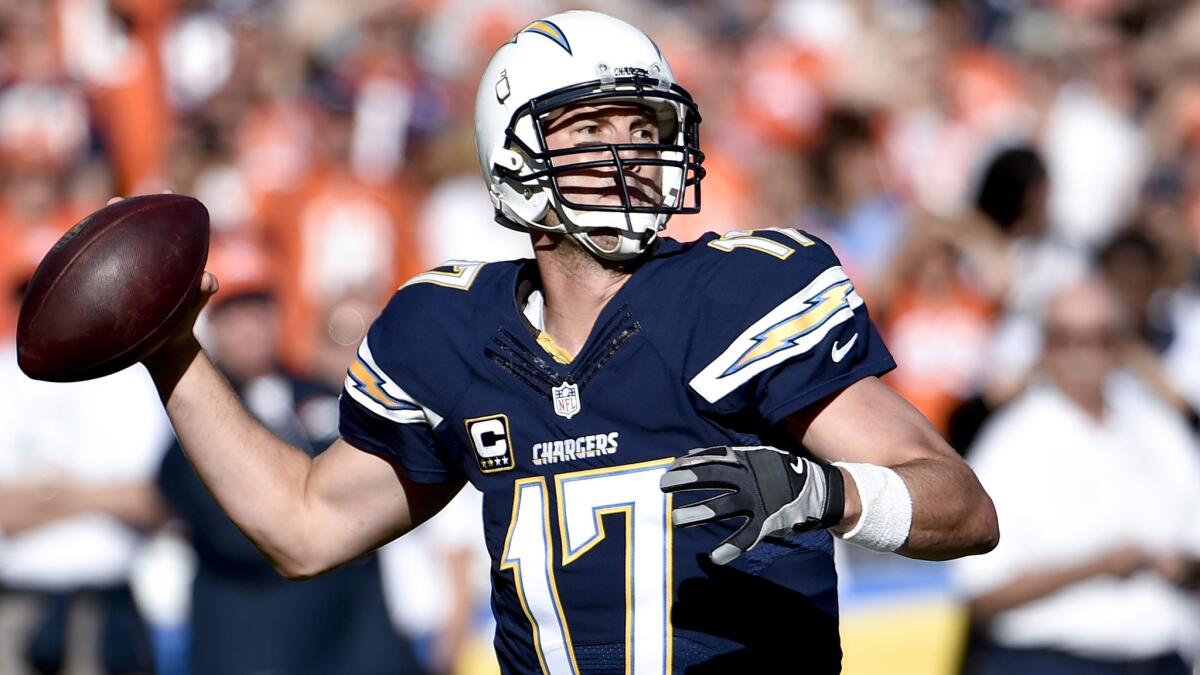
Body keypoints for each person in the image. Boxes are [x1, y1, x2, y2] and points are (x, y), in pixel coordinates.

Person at [138, 11, 997, 672]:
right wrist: (171, 352)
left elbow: (964, 505)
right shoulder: (449, 331)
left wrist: (831, 493)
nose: (629, 155)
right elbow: (302, 526)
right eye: (591, 133)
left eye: (645, 131)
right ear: (512, 158)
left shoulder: (738, 296)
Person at [155, 240, 422, 675]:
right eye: (233, 313)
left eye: (260, 309)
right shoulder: (187, 426)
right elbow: (240, 537)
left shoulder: (332, 395)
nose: (250, 327)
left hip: (357, 647)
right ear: (211, 324)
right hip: (252, 649)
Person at [952, 278, 1200, 675]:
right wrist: (1096, 567)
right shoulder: (1010, 443)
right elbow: (979, 593)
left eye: (1100, 337)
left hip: (1163, 656)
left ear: (1123, 343)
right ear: (1044, 347)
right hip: (1048, 660)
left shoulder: (1157, 426)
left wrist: (1181, 566)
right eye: (1065, 337)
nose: (1082, 352)